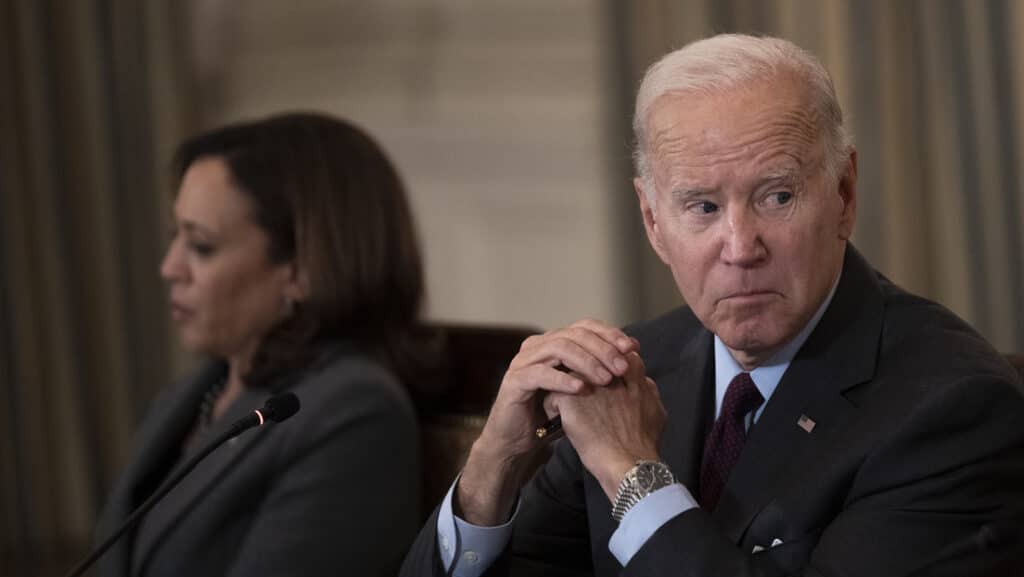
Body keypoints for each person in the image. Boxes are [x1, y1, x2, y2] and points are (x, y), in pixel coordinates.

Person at [400, 34, 1024, 576]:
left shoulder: (954, 407)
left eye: (777, 196)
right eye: (702, 206)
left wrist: (631, 472)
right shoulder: (634, 371)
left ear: (844, 194)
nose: (740, 246)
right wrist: (493, 467)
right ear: (652, 221)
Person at [95, 112, 427, 577]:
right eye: (176, 237)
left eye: (202, 246)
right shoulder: (194, 393)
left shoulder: (354, 412)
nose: (169, 268)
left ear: (302, 269)